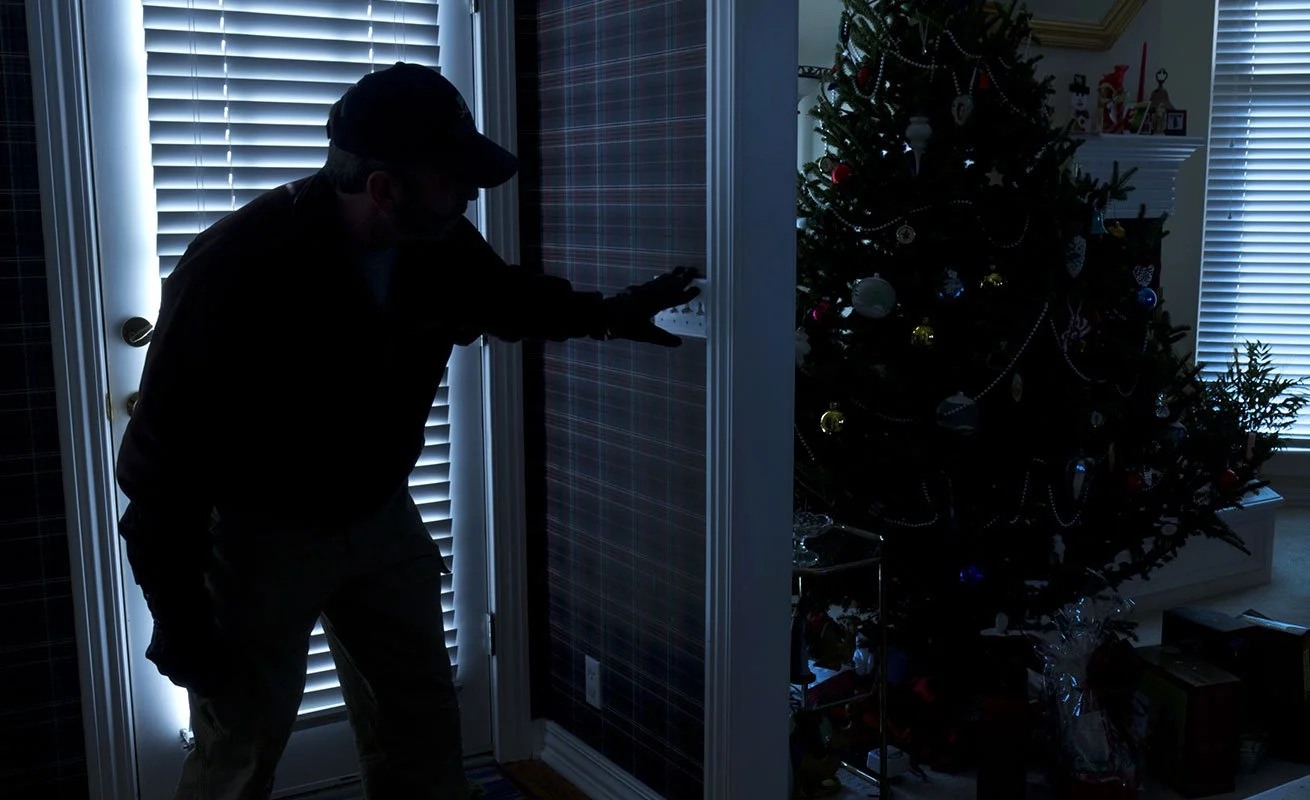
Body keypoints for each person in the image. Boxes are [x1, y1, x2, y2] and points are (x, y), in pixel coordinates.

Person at [115, 62, 699, 800]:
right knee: (241, 743)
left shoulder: (437, 242)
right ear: (385, 189)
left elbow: (502, 297)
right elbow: (161, 463)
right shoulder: (235, 266)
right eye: (453, 179)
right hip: (259, 534)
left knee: (419, 720)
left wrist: (610, 315)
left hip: (378, 511)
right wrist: (178, 616)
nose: (471, 194)